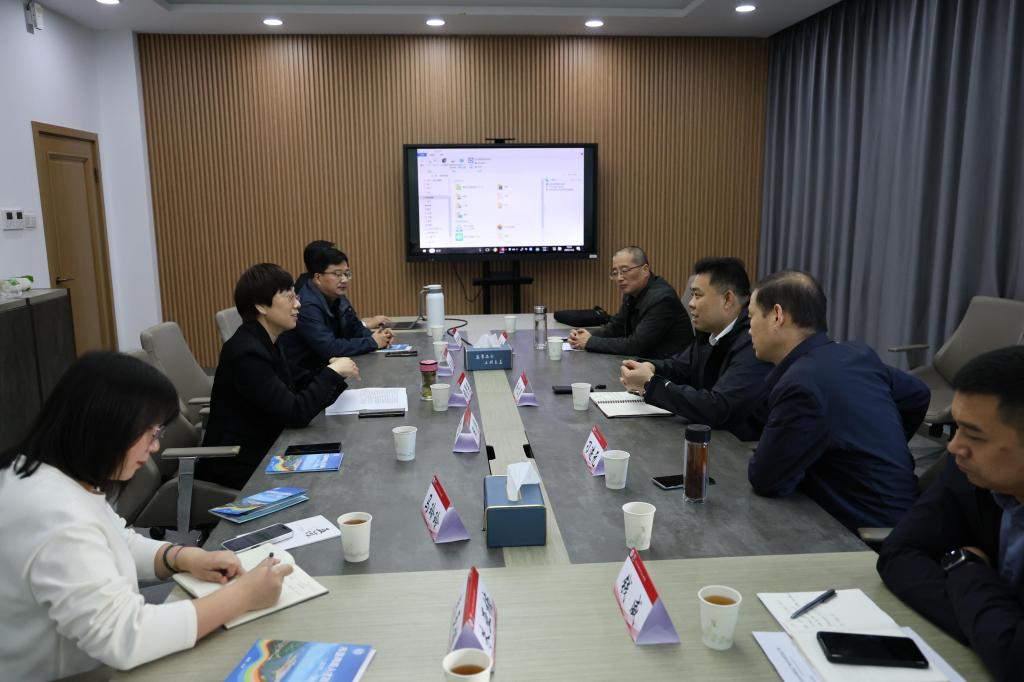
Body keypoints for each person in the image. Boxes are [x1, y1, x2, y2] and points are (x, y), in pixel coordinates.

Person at [0, 352, 293, 681]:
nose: (155, 447)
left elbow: (114, 540)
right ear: (108, 425)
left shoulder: (41, 473)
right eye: (150, 433)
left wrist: (181, 556)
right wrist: (243, 596)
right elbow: (124, 637)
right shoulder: (55, 515)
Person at [877, 346, 1024, 681]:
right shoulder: (972, 472)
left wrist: (965, 569)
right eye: (957, 427)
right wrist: (994, 633)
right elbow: (898, 554)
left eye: (974, 434)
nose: (955, 446)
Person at [745, 270, 930, 531]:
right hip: (904, 511)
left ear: (777, 315)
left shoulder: (801, 384)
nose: (749, 328)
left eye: (751, 316)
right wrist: (885, 445)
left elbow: (765, 478)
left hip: (869, 531)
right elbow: (918, 394)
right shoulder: (856, 354)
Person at [202, 263, 359, 489]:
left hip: (269, 446)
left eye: (296, 296)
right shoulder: (247, 352)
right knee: (337, 479)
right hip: (239, 464)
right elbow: (296, 413)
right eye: (289, 297)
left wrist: (330, 371)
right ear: (261, 306)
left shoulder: (268, 340)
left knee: (345, 457)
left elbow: (299, 382)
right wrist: (332, 373)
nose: (298, 304)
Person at [619, 257, 772, 440]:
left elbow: (719, 408)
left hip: (739, 446)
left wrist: (651, 383)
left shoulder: (753, 341)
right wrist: (649, 367)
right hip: (712, 436)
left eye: (697, 296)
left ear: (727, 299)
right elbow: (681, 367)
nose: (691, 303)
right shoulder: (709, 331)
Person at [280, 246, 392, 381]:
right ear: (318, 277)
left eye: (347, 273)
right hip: (305, 377)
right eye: (337, 274)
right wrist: (372, 342)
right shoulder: (307, 305)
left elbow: (355, 328)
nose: (344, 280)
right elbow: (329, 347)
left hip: (328, 369)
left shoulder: (337, 296)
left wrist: (378, 336)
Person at [568, 246, 693, 358]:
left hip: (671, 367)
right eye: (615, 273)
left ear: (645, 270)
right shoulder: (633, 293)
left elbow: (636, 345)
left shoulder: (662, 299)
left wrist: (590, 342)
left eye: (625, 270)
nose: (619, 278)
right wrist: (586, 334)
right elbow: (617, 328)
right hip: (648, 362)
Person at [294, 240, 391, 329]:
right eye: (337, 273)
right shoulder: (306, 298)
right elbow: (328, 339)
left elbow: (349, 326)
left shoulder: (332, 291)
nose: (344, 280)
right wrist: (367, 328)